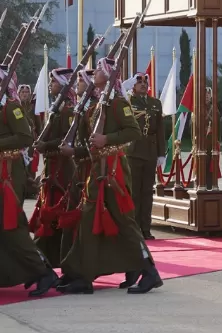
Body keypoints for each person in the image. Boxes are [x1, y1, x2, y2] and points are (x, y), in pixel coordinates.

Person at [58, 57, 163, 294]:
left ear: (107, 76)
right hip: (98, 170)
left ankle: (149, 271)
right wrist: (77, 150)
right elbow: (93, 141)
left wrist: (107, 139)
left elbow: (133, 131)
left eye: (97, 73)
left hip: (113, 171)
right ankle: (82, 275)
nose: (93, 76)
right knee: (88, 219)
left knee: (125, 222)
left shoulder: (117, 104)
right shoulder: (101, 104)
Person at [0, 65, 58, 297]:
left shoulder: (10, 107)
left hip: (9, 173)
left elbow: (24, 136)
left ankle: (43, 272)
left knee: (11, 226)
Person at [31, 67, 77, 268]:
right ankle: (48, 256)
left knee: (57, 211)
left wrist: (46, 146)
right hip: (51, 166)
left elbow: (68, 138)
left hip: (63, 168)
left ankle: (44, 258)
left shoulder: (67, 110)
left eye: (54, 82)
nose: (51, 86)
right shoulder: (57, 108)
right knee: (48, 211)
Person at [124, 72, 166, 240]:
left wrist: (161, 153)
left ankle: (146, 229)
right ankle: (134, 229)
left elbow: (160, 130)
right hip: (133, 151)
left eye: (145, 81)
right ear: (133, 85)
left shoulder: (155, 103)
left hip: (150, 151)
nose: (143, 84)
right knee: (134, 192)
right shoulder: (128, 101)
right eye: (139, 81)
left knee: (147, 192)